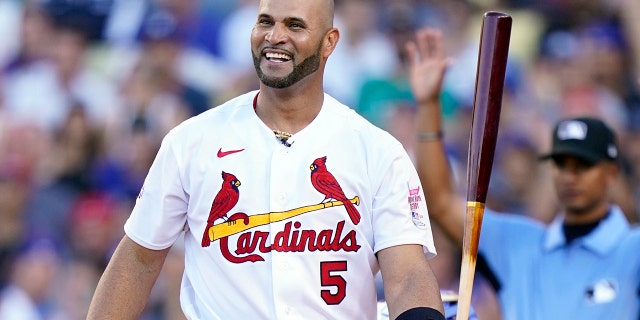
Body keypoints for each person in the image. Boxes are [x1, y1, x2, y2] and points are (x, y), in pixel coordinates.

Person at [87, 1, 445, 319]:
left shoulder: (377, 151)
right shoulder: (191, 141)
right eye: (265, 22)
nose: (275, 36)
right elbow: (138, 259)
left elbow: (407, 276)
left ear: (330, 42)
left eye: (295, 25)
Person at [407, 28, 640, 319]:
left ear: (610, 173)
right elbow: (439, 201)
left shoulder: (633, 249)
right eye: (561, 164)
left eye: (583, 165)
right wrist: (429, 106)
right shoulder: (519, 242)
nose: (570, 175)